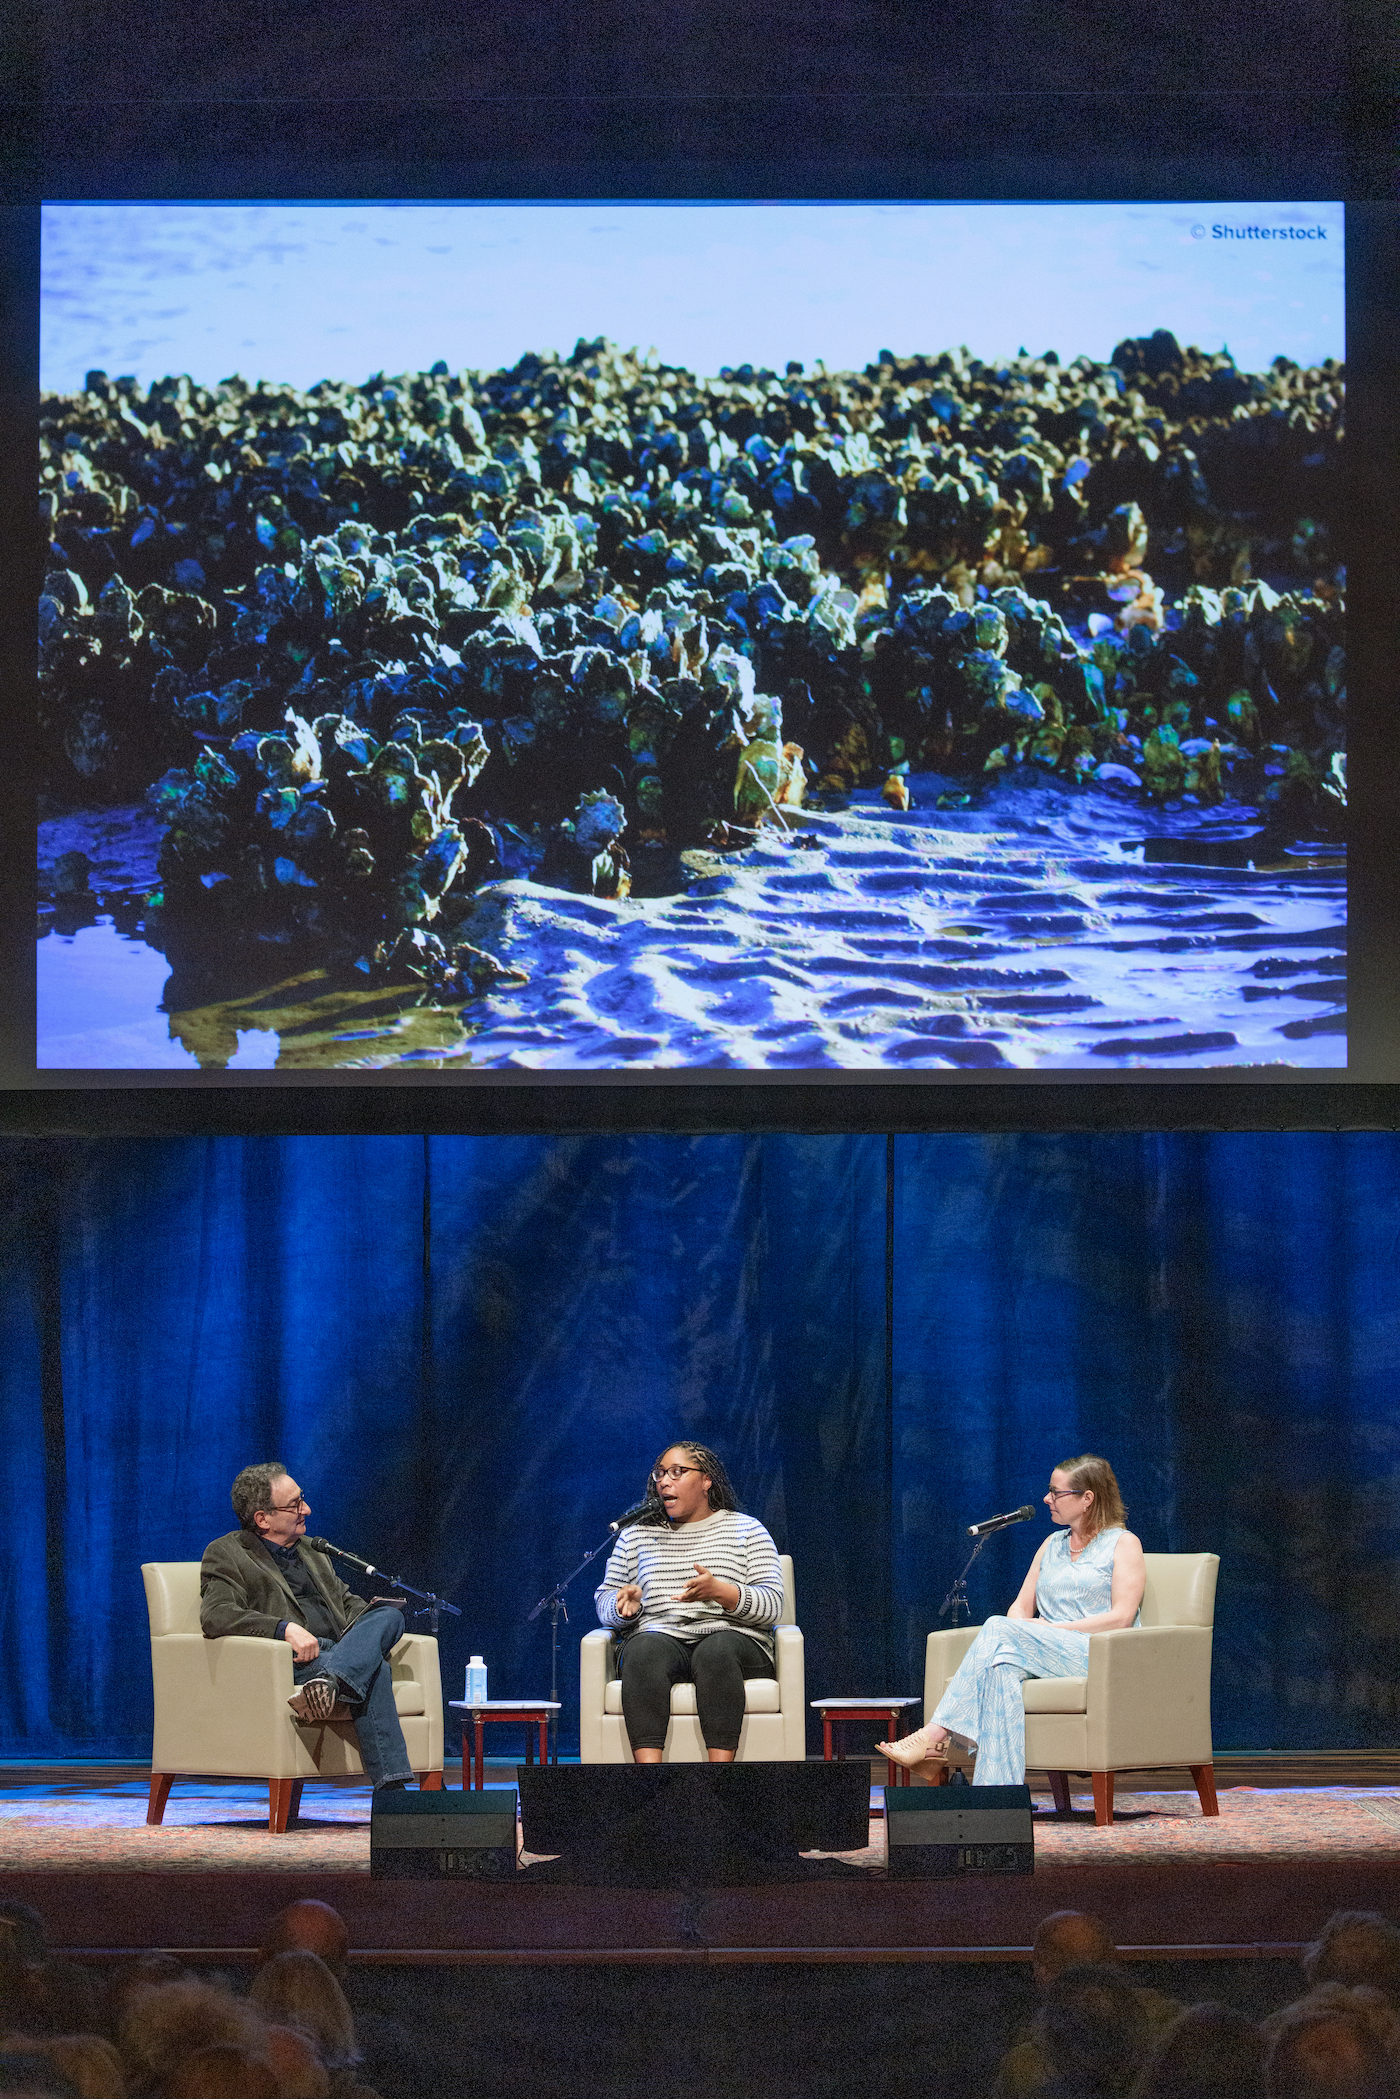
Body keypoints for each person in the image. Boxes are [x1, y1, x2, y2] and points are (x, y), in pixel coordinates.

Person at [879, 1455, 1145, 1786]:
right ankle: (996, 1798)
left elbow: (1121, 1618)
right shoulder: (1052, 1545)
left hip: (1097, 1653)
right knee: (999, 1670)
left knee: (997, 1628)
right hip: (1044, 1648)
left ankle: (934, 1735)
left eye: (1056, 1492)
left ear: (1087, 1498)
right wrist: (1028, 1627)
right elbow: (1019, 1607)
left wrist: (1050, 1629)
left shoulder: (1123, 1543)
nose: (1047, 1499)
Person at [200, 1464, 415, 1795]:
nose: (307, 1510)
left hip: (335, 1656)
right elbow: (217, 1614)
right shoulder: (227, 1553)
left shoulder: (312, 1551)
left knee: (390, 1616)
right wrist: (284, 1629)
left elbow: (348, 1606)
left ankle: (332, 1681)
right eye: (295, 1504)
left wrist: (370, 1622)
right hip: (291, 1664)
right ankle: (393, 1797)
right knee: (376, 1670)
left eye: (303, 1500)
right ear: (262, 1519)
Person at [594, 1441, 783, 1764]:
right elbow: (605, 1601)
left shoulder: (746, 1530)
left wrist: (720, 1591)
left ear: (707, 1480)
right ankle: (649, 1781)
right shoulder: (635, 1535)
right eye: (660, 1474)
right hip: (660, 1636)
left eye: (677, 1472)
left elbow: (773, 1604)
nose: (664, 1481)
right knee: (642, 1649)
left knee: (716, 1650)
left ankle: (718, 1779)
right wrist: (626, 1608)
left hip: (734, 1640)